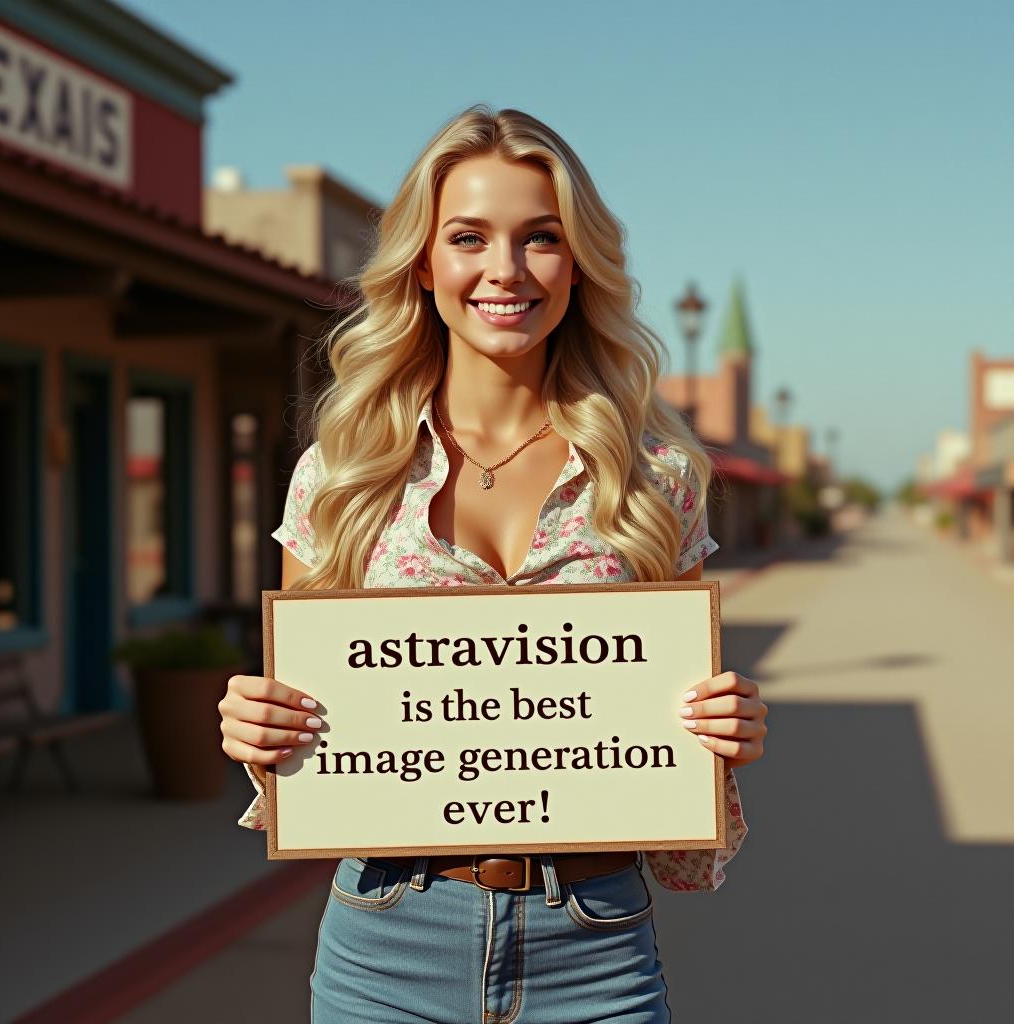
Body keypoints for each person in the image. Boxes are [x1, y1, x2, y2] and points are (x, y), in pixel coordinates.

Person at [218, 103, 768, 1023]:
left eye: (541, 238)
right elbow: (309, 735)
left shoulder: (656, 478)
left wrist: (724, 734)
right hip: (384, 941)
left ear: (579, 262)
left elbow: (671, 776)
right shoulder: (342, 474)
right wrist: (259, 733)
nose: (505, 270)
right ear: (423, 263)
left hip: (595, 943)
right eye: (469, 236)